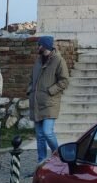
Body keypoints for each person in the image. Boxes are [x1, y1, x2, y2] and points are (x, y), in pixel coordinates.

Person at [28, 36, 69, 164]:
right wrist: (30, 90)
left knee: (47, 132)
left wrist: (50, 91)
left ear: (45, 46)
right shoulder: (38, 61)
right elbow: (32, 78)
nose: (38, 47)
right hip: (37, 103)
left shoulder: (58, 60)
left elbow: (64, 81)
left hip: (50, 103)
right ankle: (41, 163)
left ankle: (60, 158)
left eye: (39, 45)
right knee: (40, 136)